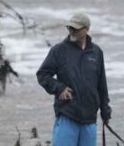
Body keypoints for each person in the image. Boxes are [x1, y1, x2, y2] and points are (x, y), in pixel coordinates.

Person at [36, 13, 111, 146]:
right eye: (70, 28)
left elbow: (101, 85)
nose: (72, 31)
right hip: (67, 115)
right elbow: (42, 74)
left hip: (89, 119)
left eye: (75, 28)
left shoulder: (97, 52)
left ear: (87, 29)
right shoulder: (59, 50)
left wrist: (105, 111)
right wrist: (59, 88)